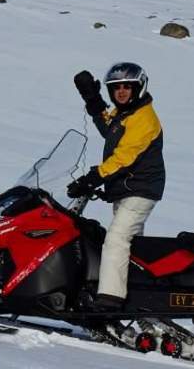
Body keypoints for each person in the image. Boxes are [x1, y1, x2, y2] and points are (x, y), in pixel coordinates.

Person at [67, 61, 166, 310]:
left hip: (140, 191)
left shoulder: (144, 119)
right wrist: (93, 99)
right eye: (116, 88)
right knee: (133, 246)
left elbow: (123, 158)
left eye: (127, 86)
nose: (121, 92)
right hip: (127, 190)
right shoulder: (128, 114)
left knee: (117, 239)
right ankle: (138, 293)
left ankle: (110, 300)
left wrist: (92, 177)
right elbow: (109, 129)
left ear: (139, 88)